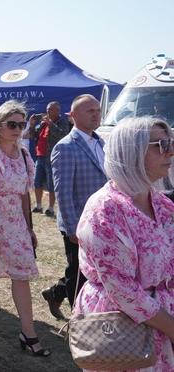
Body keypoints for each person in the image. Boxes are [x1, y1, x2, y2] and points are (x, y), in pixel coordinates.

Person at [74, 117, 174, 371]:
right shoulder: (105, 209)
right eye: (160, 144)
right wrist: (171, 327)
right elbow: (122, 290)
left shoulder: (162, 204)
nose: (170, 151)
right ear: (132, 151)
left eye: (170, 142)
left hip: (161, 323)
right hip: (120, 328)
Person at [0, 100, 50, 356]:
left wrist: (30, 227)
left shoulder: (25, 155)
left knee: (21, 275)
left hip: (16, 224)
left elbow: (25, 195)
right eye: (11, 124)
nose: (17, 129)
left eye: (21, 124)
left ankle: (28, 333)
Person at [41, 95, 108, 320]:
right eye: (89, 110)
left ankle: (56, 293)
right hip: (79, 223)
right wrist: (72, 228)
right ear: (74, 116)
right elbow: (63, 192)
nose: (95, 114)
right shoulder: (66, 147)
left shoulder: (101, 142)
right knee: (80, 274)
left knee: (89, 269)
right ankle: (80, 322)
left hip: (103, 222)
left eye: (97, 110)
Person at [32, 102, 72, 216]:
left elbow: (62, 135)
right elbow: (33, 136)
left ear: (57, 111)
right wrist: (32, 125)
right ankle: (38, 206)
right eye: (47, 110)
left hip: (52, 157)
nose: (47, 112)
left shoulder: (62, 122)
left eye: (50, 110)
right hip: (40, 155)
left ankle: (50, 208)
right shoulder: (44, 123)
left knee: (51, 183)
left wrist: (50, 124)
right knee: (37, 181)